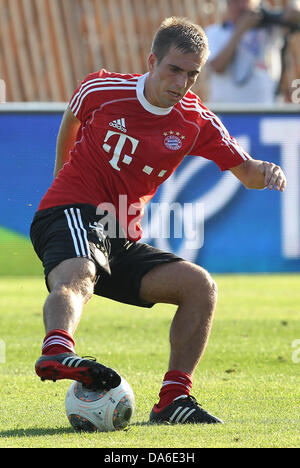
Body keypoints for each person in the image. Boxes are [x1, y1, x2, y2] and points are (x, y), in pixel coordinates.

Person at [30, 16, 286, 425]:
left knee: (200, 287)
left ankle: (173, 400)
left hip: (120, 240)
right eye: (174, 70)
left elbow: (248, 172)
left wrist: (268, 171)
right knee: (78, 271)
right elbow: (73, 117)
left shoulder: (194, 119)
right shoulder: (102, 88)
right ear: (152, 61)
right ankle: (57, 349)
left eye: (192, 75)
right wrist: (62, 174)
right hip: (71, 210)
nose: (182, 83)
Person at [205, 0, 299, 104]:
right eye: (236, 2)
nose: (242, 6)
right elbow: (217, 67)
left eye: (247, 1)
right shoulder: (215, 32)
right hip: (227, 112)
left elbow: (295, 15)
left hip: (265, 110)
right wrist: (240, 30)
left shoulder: (270, 29)